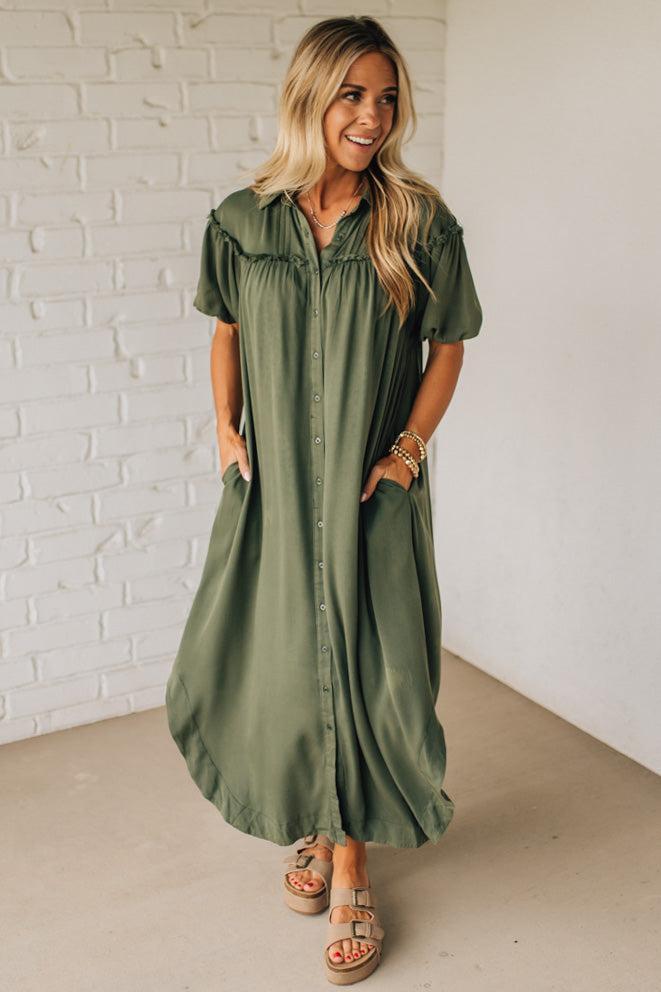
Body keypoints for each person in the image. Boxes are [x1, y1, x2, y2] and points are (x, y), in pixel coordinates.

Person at [165, 14, 483, 985]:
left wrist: (405, 453)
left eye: (386, 97)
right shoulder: (241, 221)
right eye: (352, 93)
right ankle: (312, 813)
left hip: (366, 489)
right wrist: (227, 430)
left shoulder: (416, 222)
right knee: (278, 661)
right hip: (274, 493)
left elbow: (450, 345)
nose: (372, 116)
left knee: (366, 665)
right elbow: (223, 326)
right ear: (309, 96)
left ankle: (350, 864)